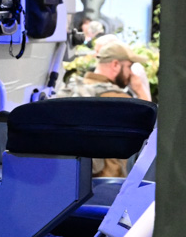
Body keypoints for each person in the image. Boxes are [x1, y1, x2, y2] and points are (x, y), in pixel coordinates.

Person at [65, 34, 151, 176]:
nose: (131, 73)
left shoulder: (72, 88)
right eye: (129, 67)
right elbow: (152, 133)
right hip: (108, 182)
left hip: (73, 180)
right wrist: (140, 90)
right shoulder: (119, 100)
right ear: (115, 65)